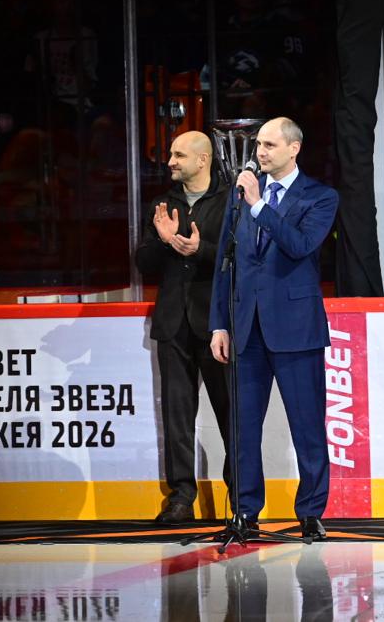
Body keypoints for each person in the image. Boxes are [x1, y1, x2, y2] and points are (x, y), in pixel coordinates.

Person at [209, 117, 339, 541]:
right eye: (259, 145)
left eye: (269, 144)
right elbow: (225, 263)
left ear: (293, 148)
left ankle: (311, 512)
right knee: (243, 428)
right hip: (246, 327)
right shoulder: (241, 195)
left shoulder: (319, 196)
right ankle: (245, 511)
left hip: (296, 329)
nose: (260, 152)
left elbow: (300, 246)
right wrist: (219, 325)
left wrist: (259, 206)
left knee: (307, 425)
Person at [134, 131, 231, 524]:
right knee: (177, 414)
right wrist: (163, 241)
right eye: (171, 154)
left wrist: (199, 250)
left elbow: (241, 258)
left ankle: (240, 497)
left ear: (203, 159)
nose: (170, 161)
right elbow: (144, 263)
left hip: (218, 324)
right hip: (173, 324)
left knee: (231, 414)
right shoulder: (162, 204)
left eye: (179, 155)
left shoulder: (230, 200)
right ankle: (181, 497)